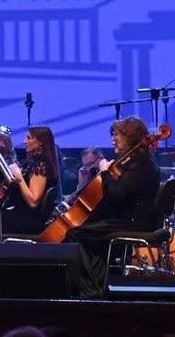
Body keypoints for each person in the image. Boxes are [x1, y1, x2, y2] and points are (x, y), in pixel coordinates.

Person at [65, 116, 161, 297]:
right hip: (131, 219)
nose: (112, 139)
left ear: (130, 137)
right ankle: (98, 285)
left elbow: (116, 194)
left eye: (116, 135)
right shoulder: (137, 161)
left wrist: (105, 173)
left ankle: (91, 290)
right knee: (92, 236)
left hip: (133, 223)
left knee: (75, 233)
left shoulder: (139, 163)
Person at [0, 126, 60, 240]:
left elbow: (33, 202)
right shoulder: (32, 164)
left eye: (29, 138)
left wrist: (20, 179)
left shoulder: (41, 167)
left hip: (27, 222)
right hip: (20, 217)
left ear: (40, 142)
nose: (24, 141)